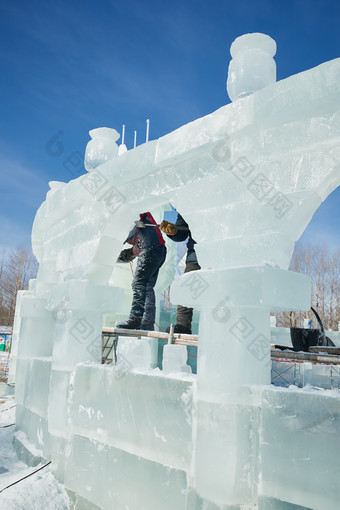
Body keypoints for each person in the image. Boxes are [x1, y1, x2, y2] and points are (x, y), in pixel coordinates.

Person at [116, 212, 166, 331]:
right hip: (159, 250)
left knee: (138, 284)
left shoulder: (137, 212)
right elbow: (133, 250)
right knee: (147, 286)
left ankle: (135, 319)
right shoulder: (144, 225)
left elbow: (134, 223)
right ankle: (147, 321)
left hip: (150, 248)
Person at [160, 212, 200, 334]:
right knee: (186, 287)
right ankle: (183, 325)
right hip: (196, 255)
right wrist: (174, 231)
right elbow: (182, 232)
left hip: (225, 253)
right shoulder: (190, 202)